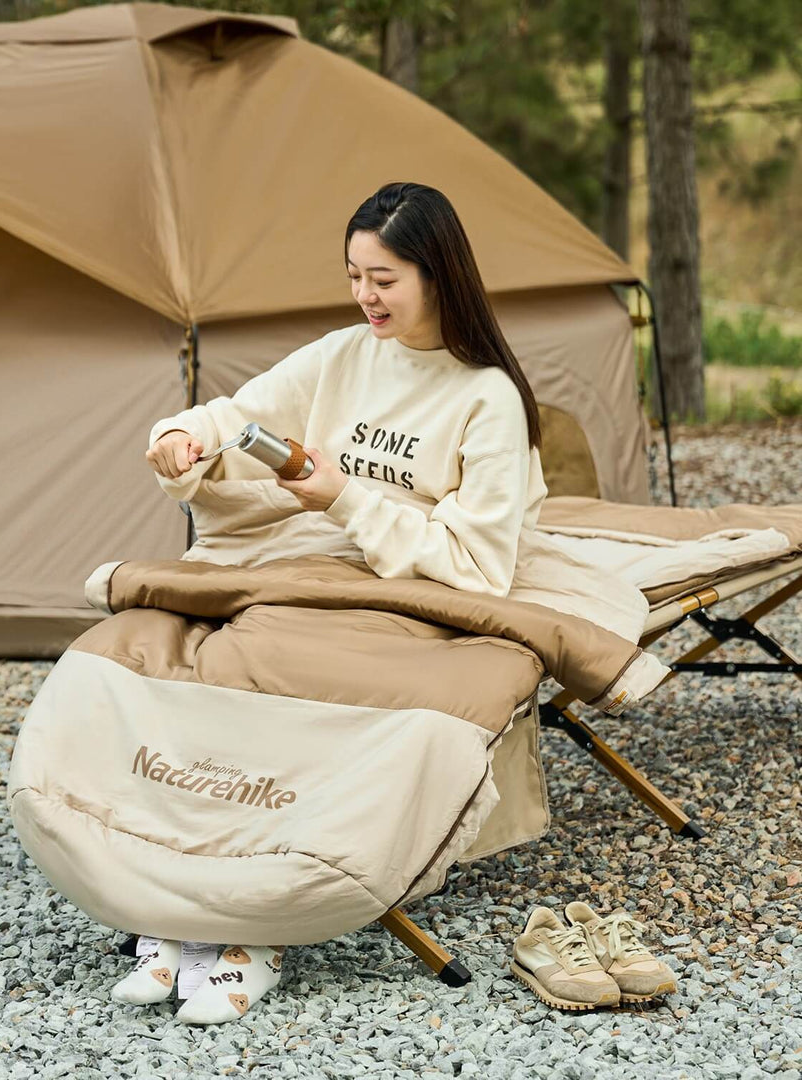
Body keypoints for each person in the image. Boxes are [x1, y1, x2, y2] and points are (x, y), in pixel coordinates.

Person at [117, 181, 549, 1024]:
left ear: (438, 274)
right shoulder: (346, 353)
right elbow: (243, 414)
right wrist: (185, 437)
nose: (365, 296)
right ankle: (181, 911)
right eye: (354, 275)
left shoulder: (486, 397)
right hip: (322, 570)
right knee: (196, 663)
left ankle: (255, 936)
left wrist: (344, 497)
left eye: (383, 278)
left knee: (282, 687)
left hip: (420, 597)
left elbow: (480, 565)